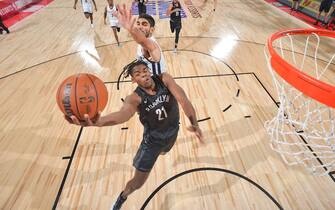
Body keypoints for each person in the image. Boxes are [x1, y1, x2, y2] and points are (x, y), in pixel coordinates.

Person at [65, 60, 204, 210]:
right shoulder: (134, 98)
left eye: (145, 70)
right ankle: (123, 196)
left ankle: (162, 152)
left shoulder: (165, 79)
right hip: (152, 144)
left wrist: (194, 123)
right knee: (138, 183)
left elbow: (183, 100)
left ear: (150, 71)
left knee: (164, 152)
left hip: (172, 134)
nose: (143, 74)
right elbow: (123, 115)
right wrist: (98, 122)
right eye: (138, 74)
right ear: (133, 80)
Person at [115, 4, 167, 75]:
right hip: (148, 83)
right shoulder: (140, 44)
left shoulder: (152, 44)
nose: (140, 27)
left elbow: (142, 41)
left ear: (152, 30)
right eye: (138, 24)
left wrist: (131, 29)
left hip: (158, 83)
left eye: (144, 24)